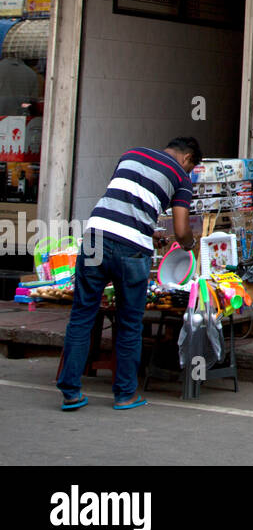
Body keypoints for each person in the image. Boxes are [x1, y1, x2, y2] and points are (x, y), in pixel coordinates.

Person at [56, 137, 202, 411]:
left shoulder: (131, 153)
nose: (190, 172)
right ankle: (125, 394)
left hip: (95, 238)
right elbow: (182, 230)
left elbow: (123, 203)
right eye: (192, 167)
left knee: (81, 316)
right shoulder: (181, 177)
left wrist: (151, 230)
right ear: (187, 158)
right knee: (129, 322)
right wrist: (189, 245)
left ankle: (70, 392)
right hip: (131, 250)